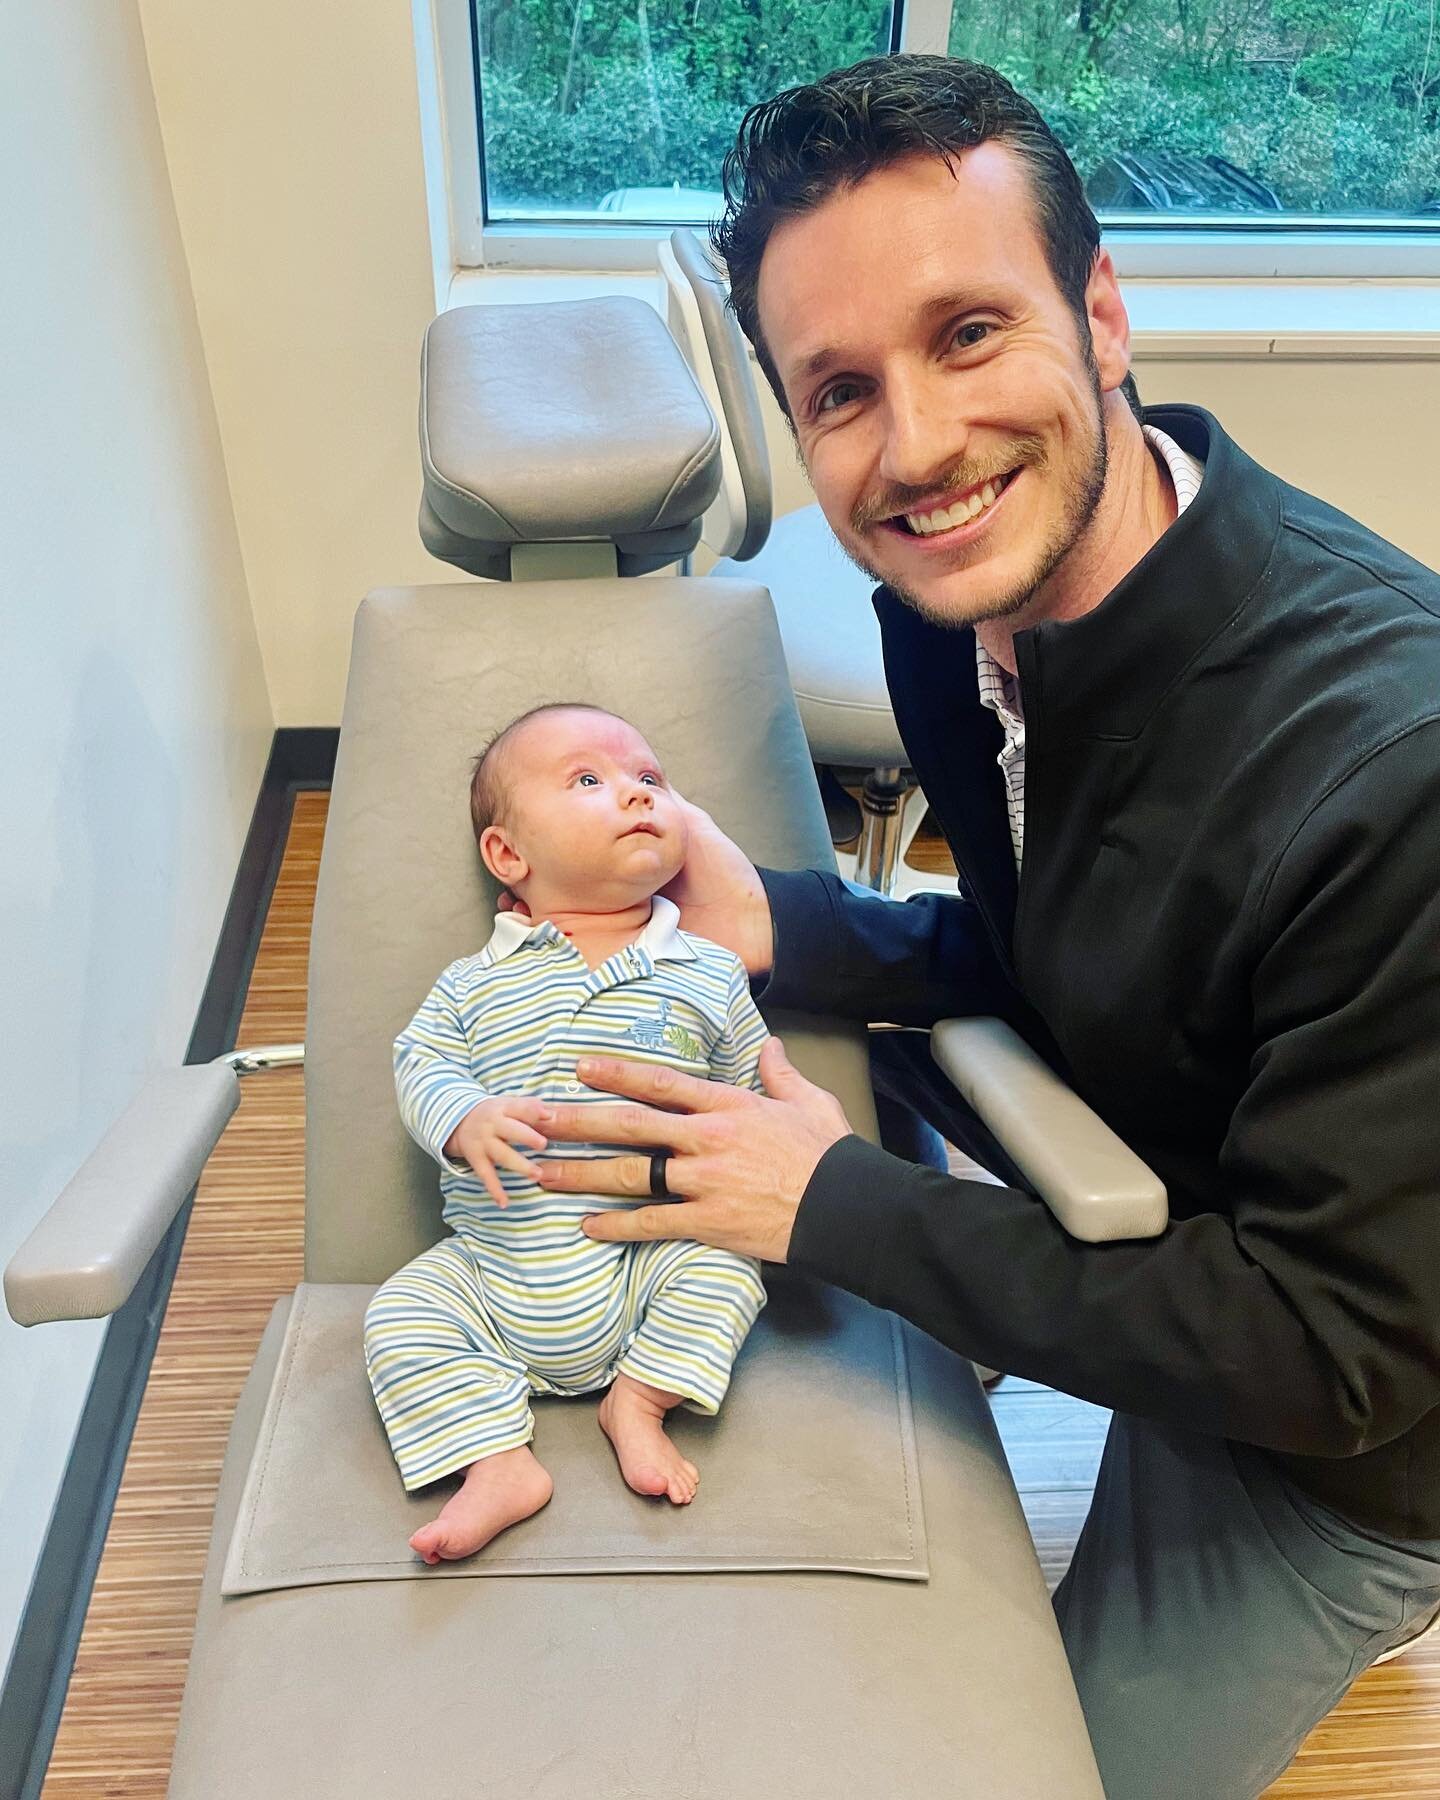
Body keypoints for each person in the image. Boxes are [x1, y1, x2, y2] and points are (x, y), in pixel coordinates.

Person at [527, 54, 1440, 1800]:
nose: (918, 448)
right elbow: (1078, 977)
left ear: (1102, 313)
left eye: (968, 335)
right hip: (1179, 1226)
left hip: (1342, 1451)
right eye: (842, 390)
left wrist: (833, 1203)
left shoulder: (1393, 776)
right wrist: (788, 929)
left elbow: (1335, 1354)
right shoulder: (960, 611)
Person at [363, 703, 767, 1564]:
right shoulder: (474, 983)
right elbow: (420, 1060)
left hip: (646, 1250)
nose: (636, 795)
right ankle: (498, 1460)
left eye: (650, 780)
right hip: (494, 1263)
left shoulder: (707, 970)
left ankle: (641, 1399)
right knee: (399, 1314)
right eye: (589, 780)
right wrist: (463, 1115)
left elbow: (744, 1100)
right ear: (510, 856)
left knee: (731, 1262)